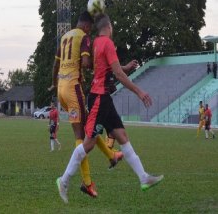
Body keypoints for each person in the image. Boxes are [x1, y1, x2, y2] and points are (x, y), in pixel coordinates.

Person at [56, 13, 164, 203]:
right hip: (99, 99)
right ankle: (64, 181)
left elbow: (107, 68)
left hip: (103, 97)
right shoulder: (107, 43)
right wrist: (139, 92)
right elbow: (118, 75)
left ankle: (143, 177)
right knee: (88, 143)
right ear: (110, 26)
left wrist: (124, 68)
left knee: (122, 136)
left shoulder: (96, 43)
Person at [48, 11, 123, 198]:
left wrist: (54, 84)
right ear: (88, 26)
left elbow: (55, 66)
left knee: (89, 125)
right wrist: (103, 69)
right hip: (73, 88)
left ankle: (111, 155)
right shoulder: (83, 37)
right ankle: (87, 182)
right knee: (81, 135)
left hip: (61, 90)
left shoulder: (65, 37)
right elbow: (87, 63)